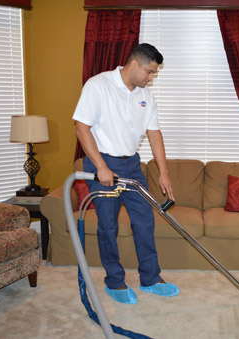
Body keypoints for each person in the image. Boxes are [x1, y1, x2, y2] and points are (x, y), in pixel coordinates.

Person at [72, 43, 178, 305]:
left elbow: (154, 134)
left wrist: (164, 173)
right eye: (150, 72)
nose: (151, 78)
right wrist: (100, 167)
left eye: (153, 73)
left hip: (132, 166)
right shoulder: (98, 85)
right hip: (104, 163)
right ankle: (115, 282)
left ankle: (150, 279)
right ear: (134, 64)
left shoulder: (146, 96)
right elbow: (81, 127)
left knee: (145, 221)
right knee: (108, 226)